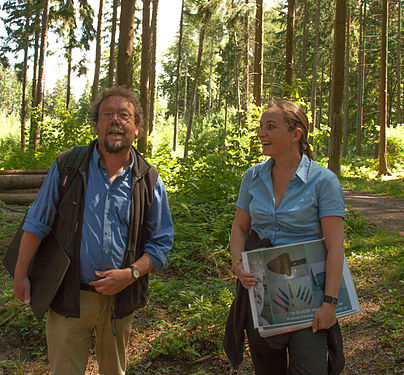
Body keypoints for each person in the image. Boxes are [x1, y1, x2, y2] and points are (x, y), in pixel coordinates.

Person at [13, 85, 174, 375]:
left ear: (136, 126)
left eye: (124, 115)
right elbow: (37, 222)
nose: (115, 121)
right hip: (68, 296)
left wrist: (131, 274)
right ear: (96, 124)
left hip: (120, 300)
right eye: (107, 114)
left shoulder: (148, 178)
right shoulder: (68, 166)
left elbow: (161, 243)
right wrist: (21, 272)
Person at [228, 100, 345, 374]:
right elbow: (240, 227)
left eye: (271, 127)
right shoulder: (253, 177)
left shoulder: (323, 181)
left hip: (309, 302)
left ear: (296, 134)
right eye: (261, 127)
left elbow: (335, 247)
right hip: (261, 295)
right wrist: (237, 263)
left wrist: (329, 304)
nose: (261, 133)